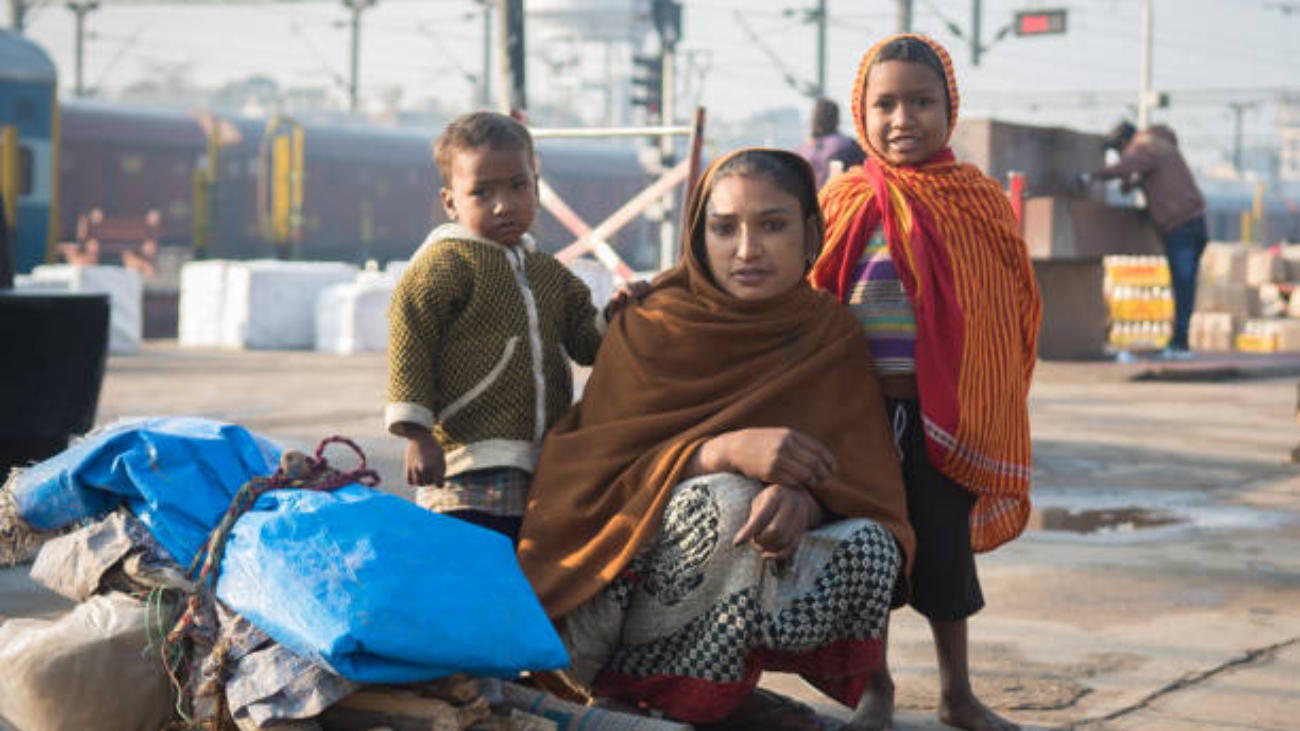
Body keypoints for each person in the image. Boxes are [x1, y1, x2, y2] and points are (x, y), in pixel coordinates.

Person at [518, 148, 916, 730]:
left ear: (810, 236)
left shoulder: (830, 336)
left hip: (754, 570)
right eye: (724, 228)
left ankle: (715, 695)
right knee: (725, 499)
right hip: (609, 601)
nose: (747, 250)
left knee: (873, 544)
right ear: (699, 237)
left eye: (772, 226)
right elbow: (585, 477)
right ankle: (639, 693)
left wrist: (804, 502)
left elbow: (866, 483)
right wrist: (721, 452)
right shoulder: (650, 325)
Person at [810, 35, 1041, 731]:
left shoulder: (976, 201)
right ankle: (874, 690)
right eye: (885, 103)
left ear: (950, 109)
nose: (902, 118)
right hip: (859, 419)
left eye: (921, 101)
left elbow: (1009, 306)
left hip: (945, 415)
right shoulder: (841, 199)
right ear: (861, 110)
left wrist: (986, 392)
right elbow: (807, 296)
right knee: (868, 553)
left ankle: (956, 691)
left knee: (943, 557)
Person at [385, 110, 607, 544]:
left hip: (540, 467)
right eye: (482, 192)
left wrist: (617, 317)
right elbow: (410, 340)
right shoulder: (445, 263)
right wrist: (416, 433)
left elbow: (586, 342)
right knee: (466, 576)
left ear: (536, 189)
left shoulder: (549, 273)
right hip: (462, 465)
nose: (503, 204)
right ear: (451, 202)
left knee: (526, 576)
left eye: (517, 186)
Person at [1089, 121, 1207, 358]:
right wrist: (1132, 183)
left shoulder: (1144, 145)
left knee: (1183, 285)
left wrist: (1091, 175)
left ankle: (1179, 345)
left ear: (1124, 143)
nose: (1122, 155)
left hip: (1180, 224)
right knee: (1186, 286)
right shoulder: (1160, 146)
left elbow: (1125, 167)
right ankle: (1180, 342)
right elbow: (1142, 176)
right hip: (1196, 221)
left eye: (1119, 151)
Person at [795, 97, 867, 189]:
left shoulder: (800, 152)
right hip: (838, 200)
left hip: (808, 202)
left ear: (813, 120)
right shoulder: (848, 146)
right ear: (836, 119)